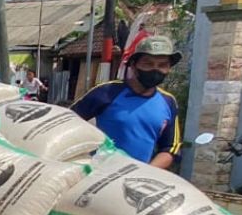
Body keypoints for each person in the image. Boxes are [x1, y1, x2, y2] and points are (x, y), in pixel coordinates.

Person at [71, 35, 182, 168]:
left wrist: (145, 172)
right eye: (148, 64)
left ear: (169, 69)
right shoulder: (107, 92)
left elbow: (170, 148)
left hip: (138, 179)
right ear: (134, 65)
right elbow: (67, 122)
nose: (155, 70)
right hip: (99, 176)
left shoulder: (168, 102)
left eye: (162, 65)